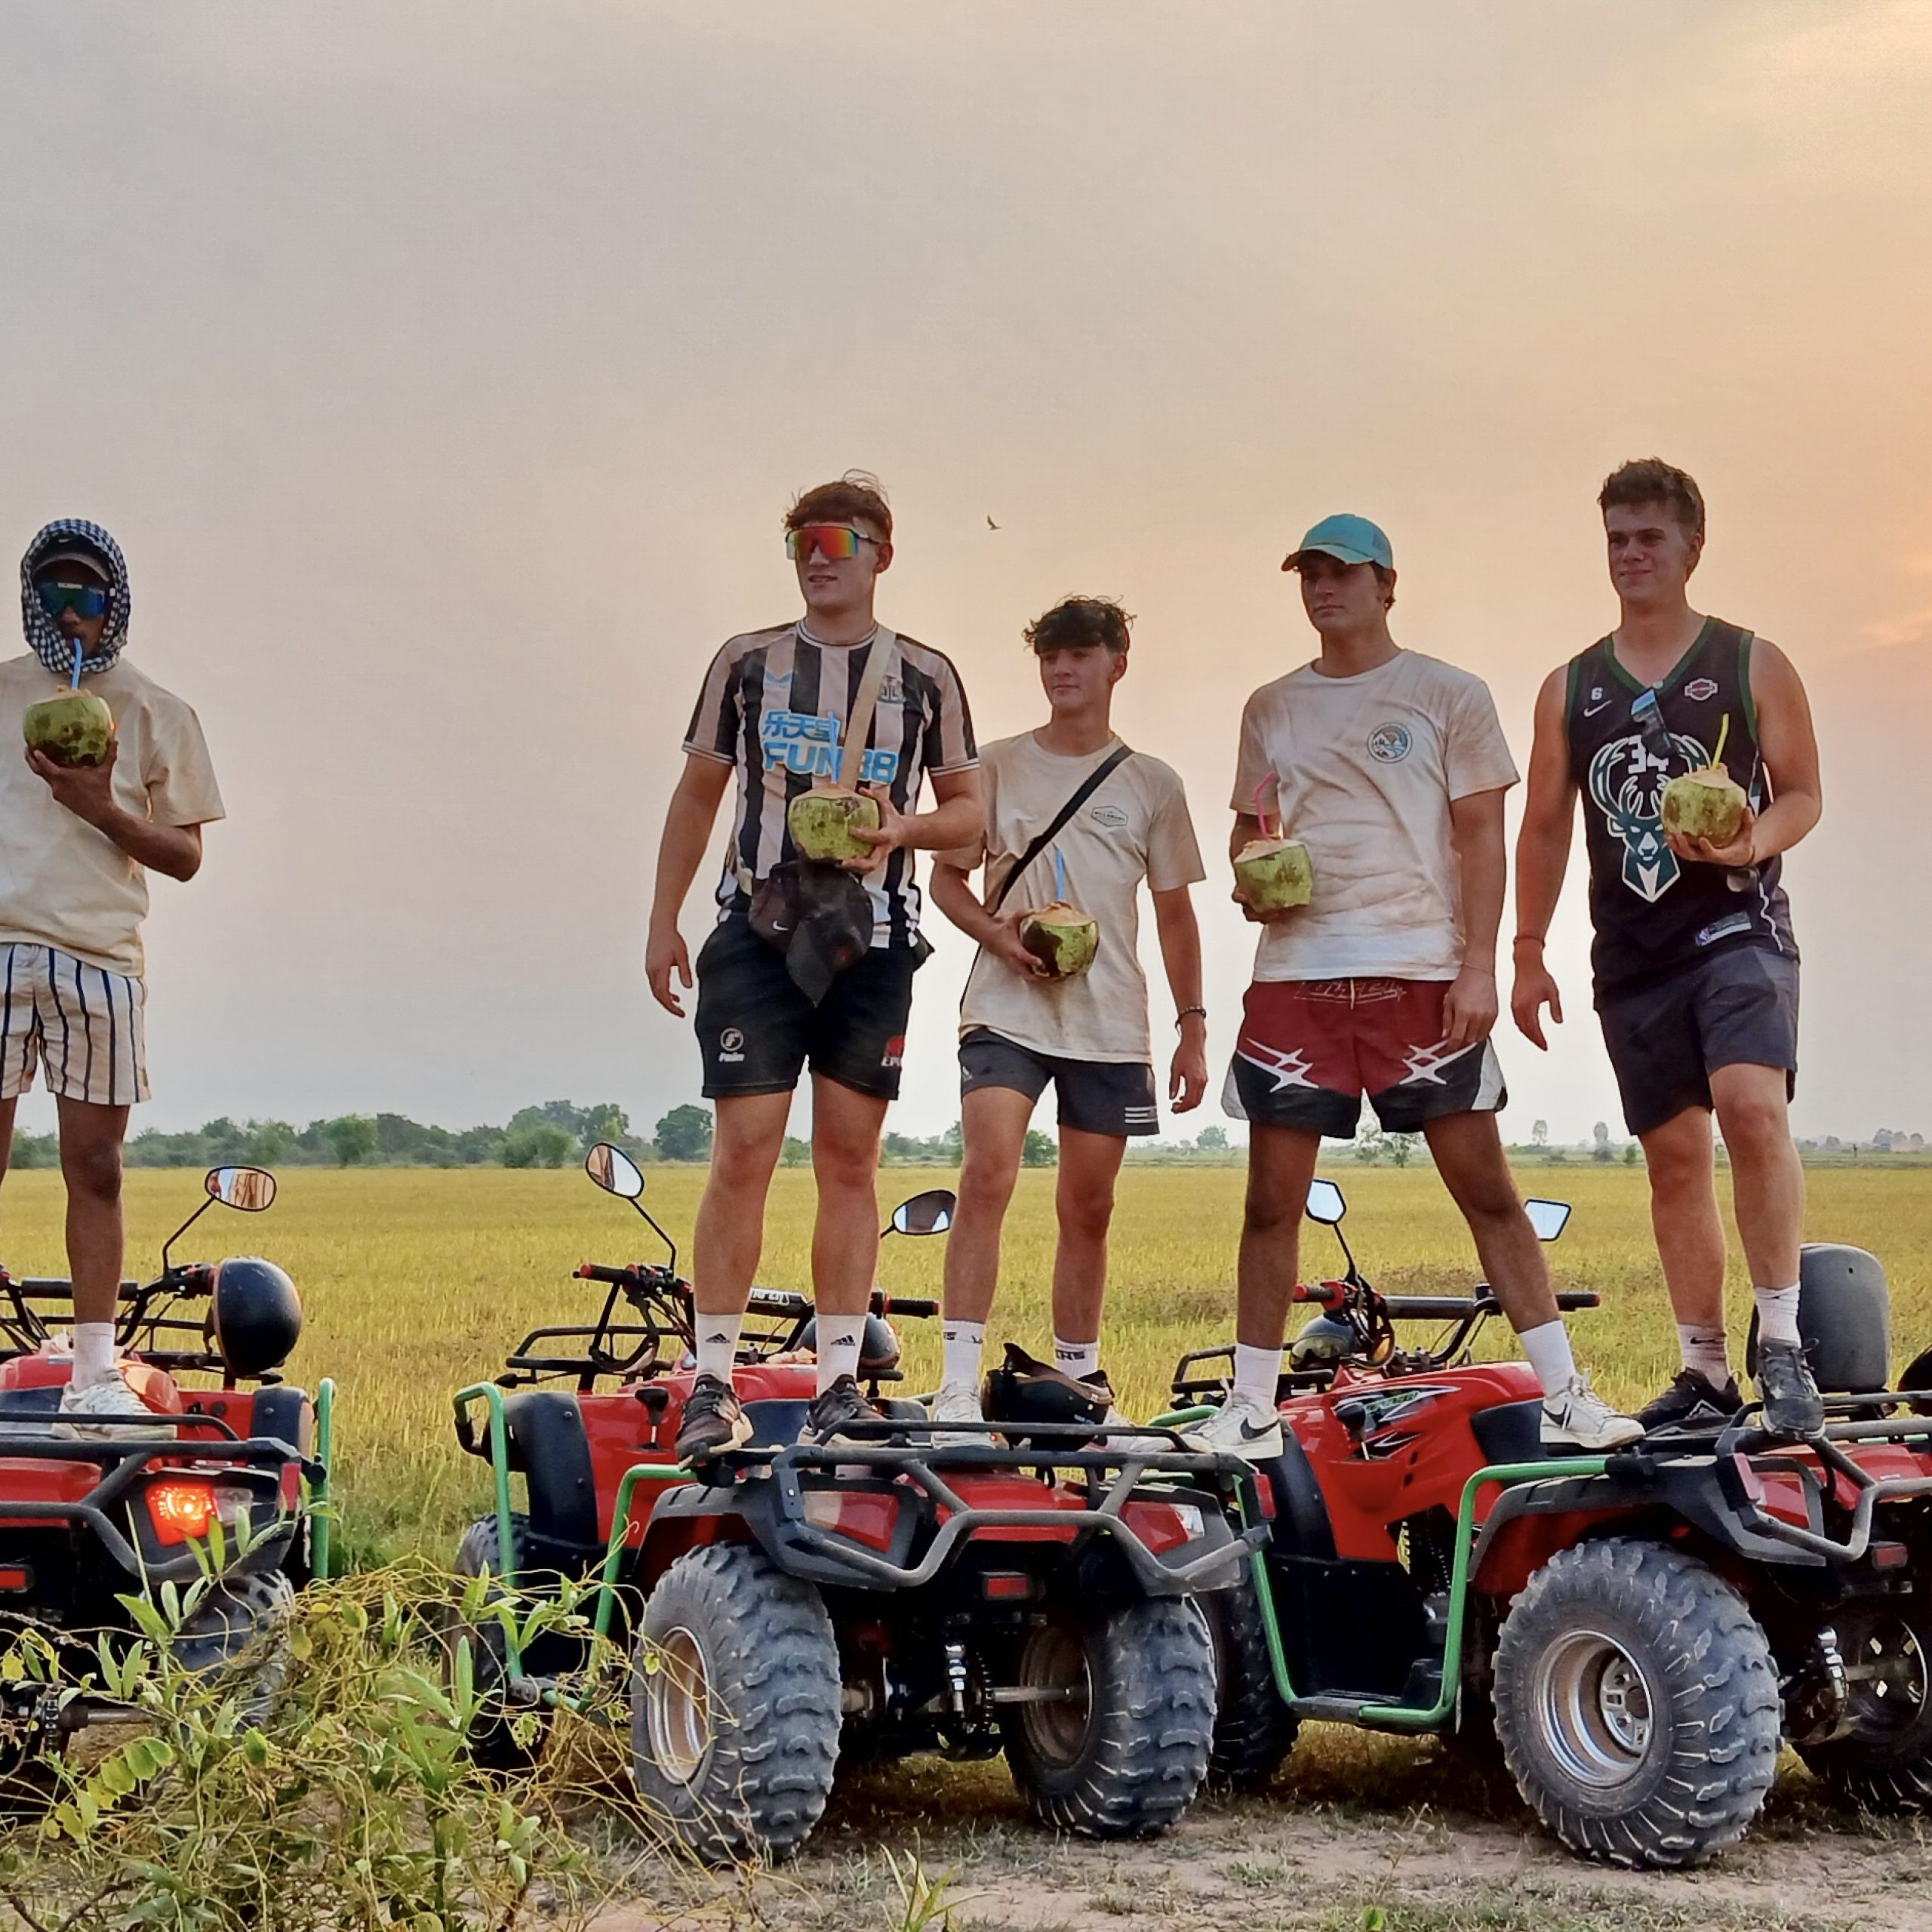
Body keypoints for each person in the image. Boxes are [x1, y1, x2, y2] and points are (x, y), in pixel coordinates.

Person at [1191, 513, 1638, 1460]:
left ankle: (1564, 1395)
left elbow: (1483, 839)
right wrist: (1250, 869)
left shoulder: (1448, 694)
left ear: (1387, 583)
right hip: (1298, 975)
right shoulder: (1269, 704)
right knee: (1271, 1201)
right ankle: (1253, 1407)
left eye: (1343, 572)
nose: (1323, 588)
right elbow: (1246, 833)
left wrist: (1479, 964)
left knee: (1486, 1190)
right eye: (1309, 573)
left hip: (1422, 974)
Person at [645, 474, 982, 1461]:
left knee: (849, 1156)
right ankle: (714, 1375)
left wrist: (904, 827)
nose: (818, 553)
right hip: (757, 926)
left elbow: (970, 813)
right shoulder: (747, 664)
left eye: (838, 537)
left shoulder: (925, 675)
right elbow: (698, 792)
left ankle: (841, 1382)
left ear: (881, 551)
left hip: (872, 939)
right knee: (744, 1146)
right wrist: (662, 920)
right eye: (801, 538)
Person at [1512, 460, 1823, 1435]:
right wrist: (1527, 947)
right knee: (1675, 1159)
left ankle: (1781, 1339)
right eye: (1617, 537)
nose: (1632, 554)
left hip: (1738, 927)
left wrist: (1750, 840)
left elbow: (1803, 791)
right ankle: (1705, 1371)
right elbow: (1548, 826)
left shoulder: (1749, 662)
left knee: (1751, 1109)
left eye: (1649, 536)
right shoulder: (1572, 686)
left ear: (1693, 545)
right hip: (1632, 948)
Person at [927, 596, 1208, 1432]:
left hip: (1109, 1020)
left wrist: (1193, 1027)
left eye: (1080, 655)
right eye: (1050, 656)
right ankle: (953, 1381)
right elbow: (948, 878)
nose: (1062, 670)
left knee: (1089, 1205)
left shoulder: (1153, 784)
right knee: (988, 1174)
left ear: (1116, 663)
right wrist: (997, 935)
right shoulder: (997, 765)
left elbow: (1174, 913)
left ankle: (1083, 1383)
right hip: (1004, 1008)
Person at [0, 519, 224, 1434]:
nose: (68, 609)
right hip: (1, 942)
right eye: (51, 591)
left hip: (100, 956)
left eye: (86, 593)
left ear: (115, 603)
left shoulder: (157, 711)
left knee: (95, 1162)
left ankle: (94, 1367)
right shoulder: (5, 694)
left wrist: (100, 808)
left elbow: (185, 857)